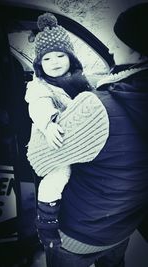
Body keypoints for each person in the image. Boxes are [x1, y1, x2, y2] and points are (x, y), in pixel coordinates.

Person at [35, 3, 148, 267]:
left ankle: (44, 228)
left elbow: (40, 158)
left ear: (139, 54)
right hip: (122, 227)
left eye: (118, 44)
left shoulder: (97, 107)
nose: (109, 49)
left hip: (78, 237)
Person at [25, 13, 109, 248]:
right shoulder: (39, 86)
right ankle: (46, 222)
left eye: (61, 56)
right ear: (39, 64)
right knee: (58, 176)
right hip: (52, 137)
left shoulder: (78, 79)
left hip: (75, 136)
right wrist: (49, 122)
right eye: (47, 59)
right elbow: (38, 106)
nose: (55, 62)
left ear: (71, 58)